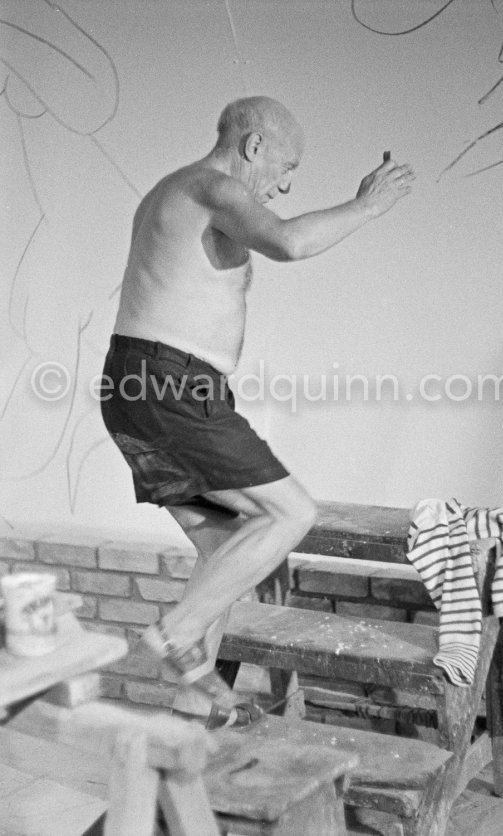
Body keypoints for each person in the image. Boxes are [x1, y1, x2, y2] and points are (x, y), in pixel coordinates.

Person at [101, 95, 414, 728]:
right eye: (285, 165)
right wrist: (369, 204)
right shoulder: (213, 187)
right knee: (292, 511)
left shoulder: (173, 192)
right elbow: (290, 243)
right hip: (166, 385)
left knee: (227, 547)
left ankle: (192, 704)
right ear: (254, 146)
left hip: (151, 385)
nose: (286, 183)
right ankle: (175, 633)